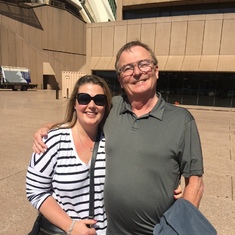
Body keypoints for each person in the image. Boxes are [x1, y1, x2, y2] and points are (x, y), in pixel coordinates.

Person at [32, 41, 204, 235]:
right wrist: (49, 128)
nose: (137, 73)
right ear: (120, 80)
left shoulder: (182, 120)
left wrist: (178, 227)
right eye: (127, 68)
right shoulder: (111, 108)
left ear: (156, 70)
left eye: (143, 64)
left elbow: (195, 183)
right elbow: (84, 116)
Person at [26, 75, 112, 235]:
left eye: (99, 100)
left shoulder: (111, 141)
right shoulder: (53, 139)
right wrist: (71, 226)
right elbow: (35, 190)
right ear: (74, 103)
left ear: (106, 106)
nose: (91, 105)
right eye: (84, 98)